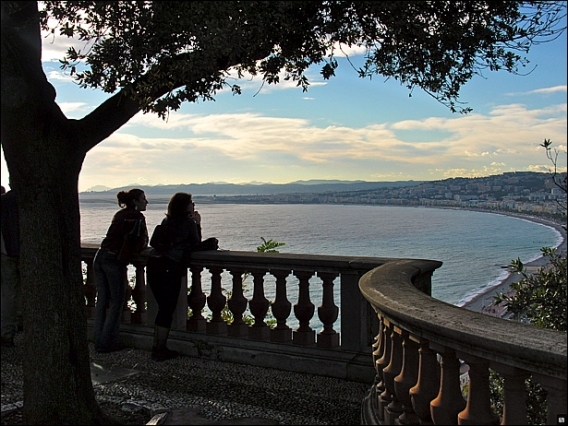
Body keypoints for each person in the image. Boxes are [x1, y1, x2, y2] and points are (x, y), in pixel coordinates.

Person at [147, 192, 202, 361]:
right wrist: (198, 224)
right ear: (185, 206)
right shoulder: (188, 223)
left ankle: (157, 346)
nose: (193, 205)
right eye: (191, 202)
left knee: (162, 308)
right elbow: (196, 244)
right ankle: (160, 348)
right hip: (170, 268)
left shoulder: (166, 221)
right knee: (167, 309)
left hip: (154, 265)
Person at [93, 188, 149, 353]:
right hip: (114, 260)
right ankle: (107, 343)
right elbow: (141, 242)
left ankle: (98, 340)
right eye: (143, 199)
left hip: (100, 256)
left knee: (102, 300)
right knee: (117, 301)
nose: (146, 202)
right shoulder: (137, 217)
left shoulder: (119, 214)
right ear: (135, 202)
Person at [1, 187, 21, 347]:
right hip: (18, 252)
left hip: (6, 252)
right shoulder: (26, 199)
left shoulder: (4, 201)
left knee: (9, 293)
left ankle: (8, 331)